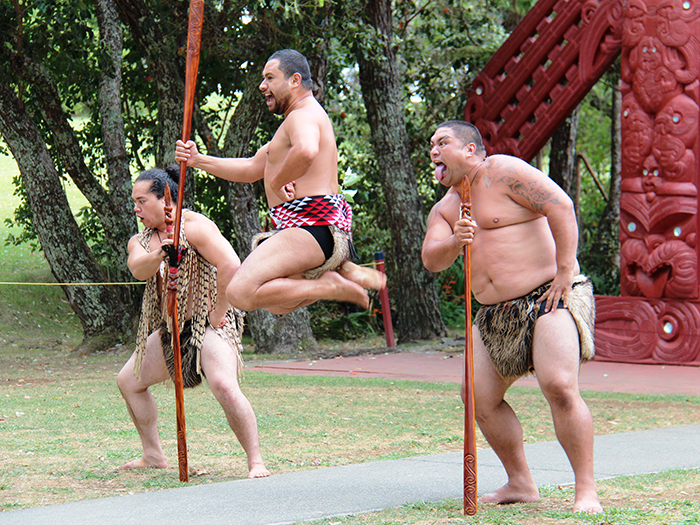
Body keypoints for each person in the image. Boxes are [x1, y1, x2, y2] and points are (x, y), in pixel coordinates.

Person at [421, 120, 601, 514]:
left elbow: (561, 205)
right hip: (492, 315)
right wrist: (455, 240)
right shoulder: (446, 208)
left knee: (559, 386)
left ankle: (585, 489)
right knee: (478, 398)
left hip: (546, 296)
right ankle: (520, 482)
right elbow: (431, 259)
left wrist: (565, 271)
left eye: (443, 142)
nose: (434, 151)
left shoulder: (503, 172)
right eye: (431, 145)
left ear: (470, 151)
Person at [175, 49, 384, 316]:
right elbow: (252, 168)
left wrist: (278, 182)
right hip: (316, 230)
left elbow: (306, 150)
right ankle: (330, 277)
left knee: (239, 292)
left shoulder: (302, 115)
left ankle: (329, 285)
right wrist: (198, 160)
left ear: (294, 80)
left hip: (311, 228)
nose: (262, 86)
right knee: (277, 303)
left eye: (270, 78)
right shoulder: (296, 121)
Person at [116, 165, 270, 479]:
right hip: (171, 330)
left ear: (166, 199)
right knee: (128, 381)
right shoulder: (142, 241)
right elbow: (138, 269)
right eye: (135, 201)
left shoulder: (196, 226)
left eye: (142, 200)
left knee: (225, 386)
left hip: (209, 324)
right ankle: (153, 453)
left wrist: (219, 311)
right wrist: (161, 254)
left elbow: (231, 264)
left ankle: (256, 462)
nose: (136, 208)